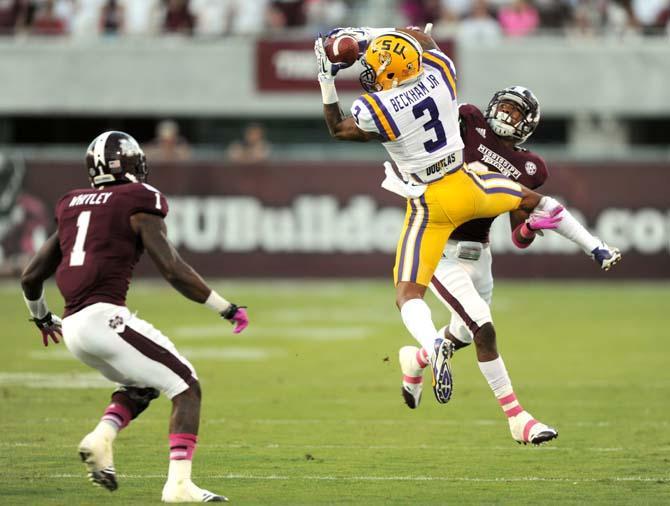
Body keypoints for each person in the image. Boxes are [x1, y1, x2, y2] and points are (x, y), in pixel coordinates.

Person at [314, 27, 621, 444]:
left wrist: (330, 70)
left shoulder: (378, 105)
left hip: (437, 209)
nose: (373, 68)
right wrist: (389, 40)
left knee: (419, 300)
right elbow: (422, 42)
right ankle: (518, 419)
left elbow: (340, 127)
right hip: (464, 192)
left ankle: (422, 352)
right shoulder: (442, 74)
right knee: (483, 326)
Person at [20, 131, 249, 502]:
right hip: (104, 319)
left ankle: (101, 438)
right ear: (130, 163)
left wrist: (42, 317)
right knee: (186, 386)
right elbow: (172, 269)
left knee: (141, 386)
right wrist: (226, 307)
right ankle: (179, 486)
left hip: (75, 327)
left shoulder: (72, 202)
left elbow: (31, 276)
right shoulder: (139, 199)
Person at [396, 86, 563, 445]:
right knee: (484, 329)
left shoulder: (529, 166)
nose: (507, 115)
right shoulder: (468, 125)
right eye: (503, 107)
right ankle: (518, 418)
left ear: (528, 124)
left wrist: (532, 225)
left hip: (480, 253)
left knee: (464, 334)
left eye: (516, 112)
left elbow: (519, 236)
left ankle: (417, 359)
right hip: (441, 244)